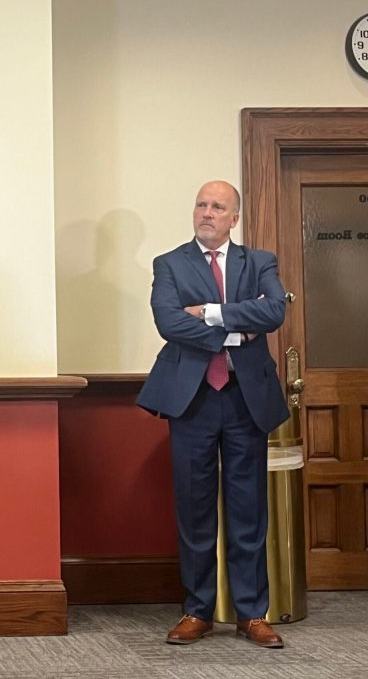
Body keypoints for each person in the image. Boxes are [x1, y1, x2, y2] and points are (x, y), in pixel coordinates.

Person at [137, 180, 289, 649]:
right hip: (193, 399)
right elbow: (168, 320)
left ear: (234, 218)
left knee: (248, 509)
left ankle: (251, 613)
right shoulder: (170, 263)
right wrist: (234, 328)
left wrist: (209, 313)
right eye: (201, 204)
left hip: (246, 399)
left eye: (217, 206)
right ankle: (197, 610)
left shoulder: (259, 262)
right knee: (194, 507)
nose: (207, 212)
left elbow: (275, 312)